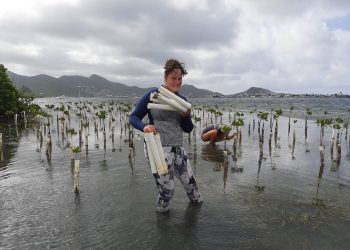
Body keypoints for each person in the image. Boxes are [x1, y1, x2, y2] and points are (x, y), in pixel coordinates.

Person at [129, 58, 203, 213]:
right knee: (167, 190)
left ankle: (196, 225)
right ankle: (162, 226)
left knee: (193, 188)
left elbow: (188, 129)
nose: (177, 82)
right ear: (165, 78)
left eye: (180, 79)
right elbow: (133, 117)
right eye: (173, 78)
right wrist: (145, 127)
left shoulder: (182, 101)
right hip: (157, 148)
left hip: (178, 148)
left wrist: (186, 116)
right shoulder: (153, 94)